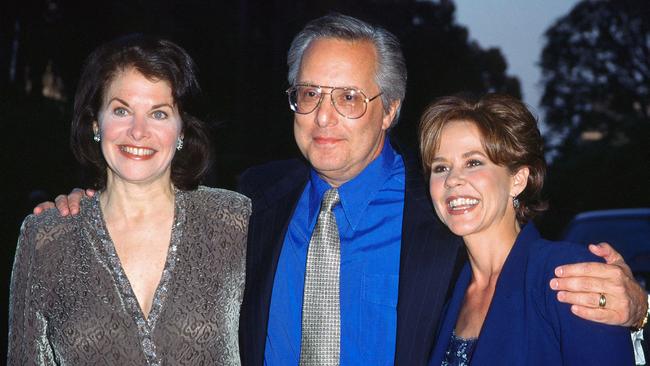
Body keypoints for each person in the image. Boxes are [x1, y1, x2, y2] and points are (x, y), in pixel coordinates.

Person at [34, 14, 648, 365]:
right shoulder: (250, 204)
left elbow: (527, 273)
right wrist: (88, 208)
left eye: (350, 98)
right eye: (310, 95)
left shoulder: (442, 210)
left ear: (389, 110)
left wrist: (640, 309)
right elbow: (152, 208)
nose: (324, 117)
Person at [8, 35, 249, 365]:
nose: (138, 131)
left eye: (159, 114)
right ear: (96, 123)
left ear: (181, 131)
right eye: (121, 110)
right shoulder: (47, 239)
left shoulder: (234, 222)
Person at [420, 94, 634, 365]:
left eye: (473, 162)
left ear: (518, 180)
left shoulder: (568, 275)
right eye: (441, 167)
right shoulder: (447, 294)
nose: (452, 180)